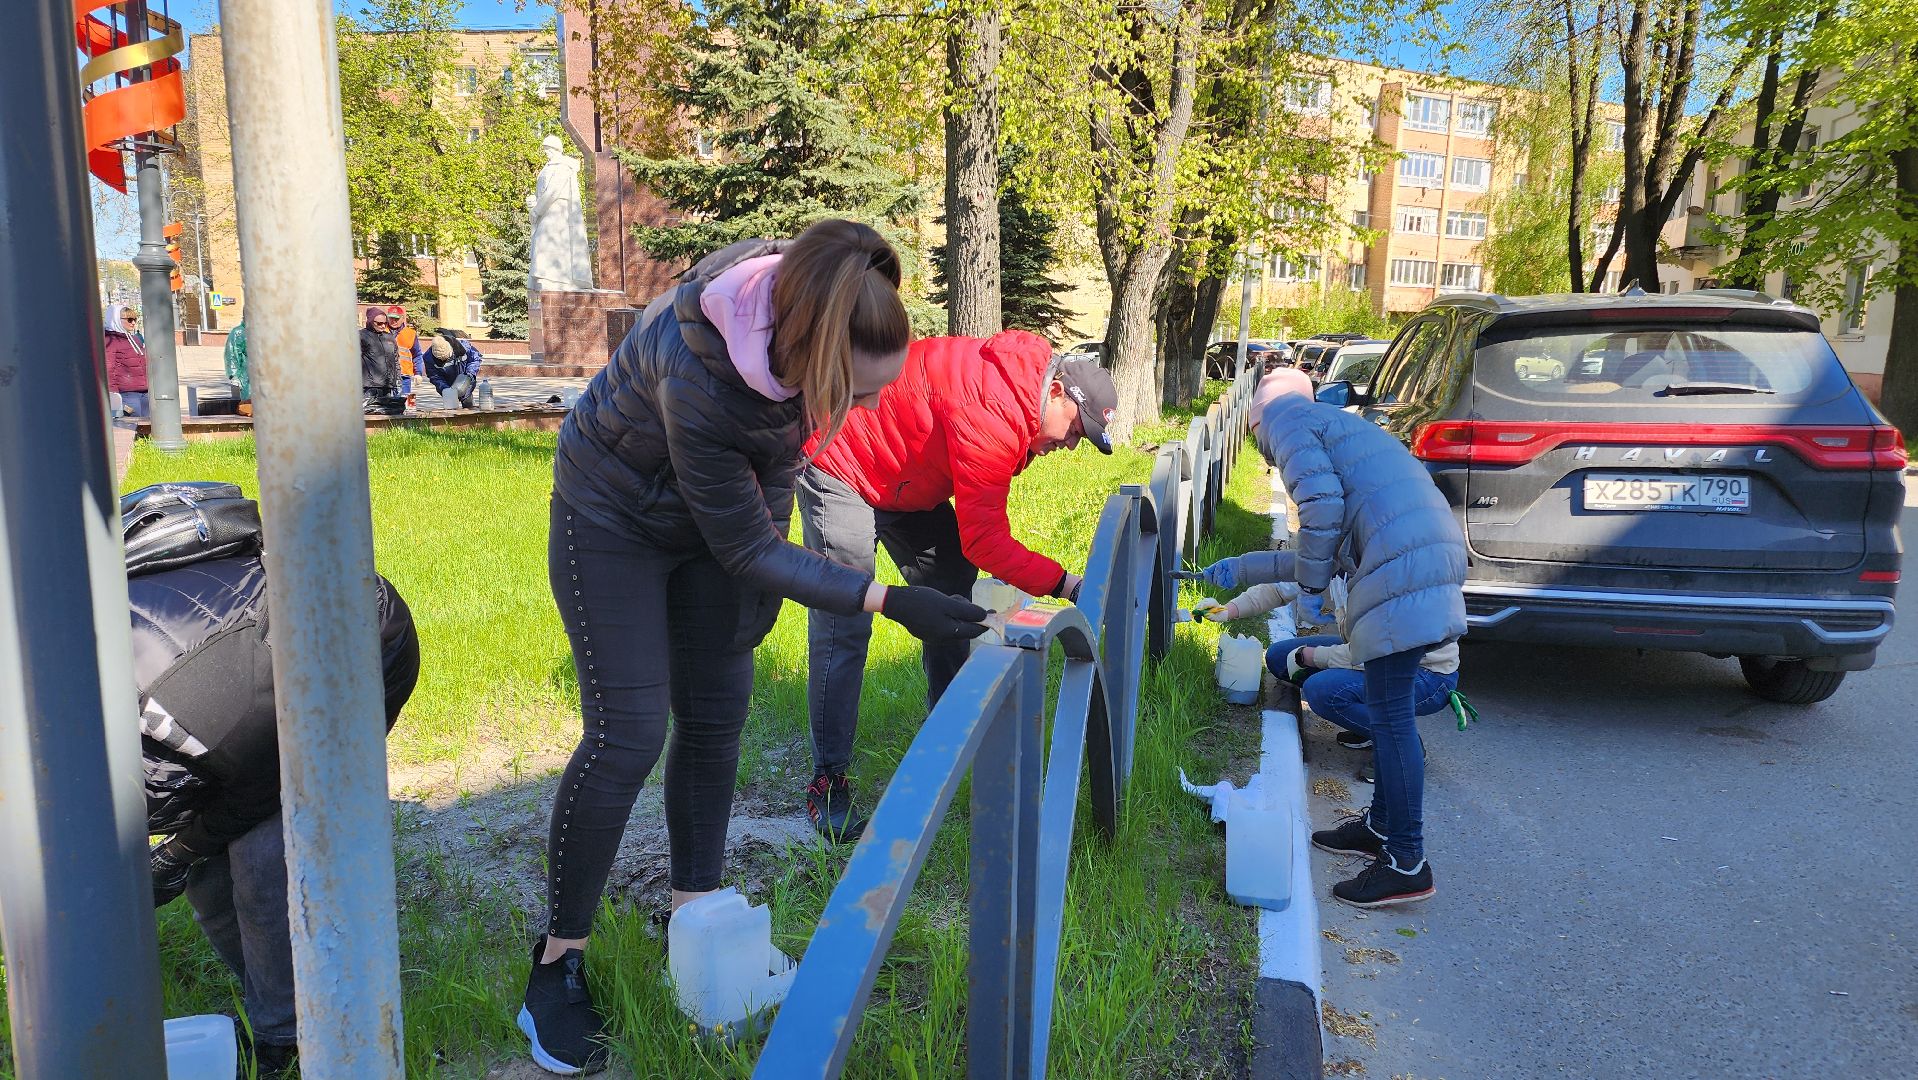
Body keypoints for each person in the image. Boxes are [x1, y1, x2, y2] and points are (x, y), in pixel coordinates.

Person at [522, 219, 989, 1074]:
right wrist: (887, 597)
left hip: (710, 528)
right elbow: (746, 546)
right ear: (812, 358)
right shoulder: (702, 369)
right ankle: (556, 966)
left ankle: (694, 918)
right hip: (613, 518)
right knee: (627, 736)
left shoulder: (795, 348)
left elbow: (765, 496)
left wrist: (746, 623)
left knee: (714, 716)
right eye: (859, 390)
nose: (873, 407)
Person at [795, 334, 1118, 838]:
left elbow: (971, 544)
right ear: (1055, 392)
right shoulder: (993, 411)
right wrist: (1065, 583)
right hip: (843, 460)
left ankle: (948, 725)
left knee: (950, 585)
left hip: (902, 478)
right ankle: (828, 779)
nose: (1071, 445)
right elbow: (985, 541)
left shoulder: (1016, 397)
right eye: (1076, 429)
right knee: (846, 616)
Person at [137, 555, 419, 1076]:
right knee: (206, 869)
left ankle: (288, 1037)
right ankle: (278, 993)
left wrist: (176, 853)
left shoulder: (185, 710)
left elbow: (257, 786)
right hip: (222, 670)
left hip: (361, 646)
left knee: (261, 855)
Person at [1198, 367, 1465, 909]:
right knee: (1388, 712)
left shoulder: (1287, 421)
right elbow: (1321, 544)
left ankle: (1406, 862)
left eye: (1257, 441)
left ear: (1258, 416)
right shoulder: (1332, 430)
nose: (1266, 457)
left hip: (1402, 568)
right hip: (1416, 552)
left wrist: (1314, 590)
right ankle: (1382, 828)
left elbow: (1319, 512)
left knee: (1389, 717)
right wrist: (1241, 569)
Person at [1197, 576, 1460, 754]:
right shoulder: (1333, 543)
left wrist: (1317, 657)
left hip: (1424, 675)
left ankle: (1403, 745)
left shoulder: (1384, 567)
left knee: (1322, 691)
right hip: (1367, 650)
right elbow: (1280, 587)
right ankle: (1369, 724)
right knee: (1279, 658)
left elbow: (1377, 651)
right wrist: (1228, 610)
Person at [421, 326, 484, 408]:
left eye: (446, 358)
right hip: (447, 385)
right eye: (441, 359)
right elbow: (434, 376)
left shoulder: (463, 347)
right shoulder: (429, 358)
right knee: (451, 408)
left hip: (465, 381)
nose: (444, 360)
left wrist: (470, 373)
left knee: (468, 404)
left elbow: (475, 359)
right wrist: (445, 389)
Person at [105, 303, 150, 416]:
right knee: (132, 425)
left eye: (135, 319)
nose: (133, 322)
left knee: (148, 426)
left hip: (145, 391)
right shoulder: (110, 340)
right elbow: (108, 368)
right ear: (116, 319)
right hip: (127, 394)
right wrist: (113, 394)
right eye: (129, 319)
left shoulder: (135, 339)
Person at [360, 305, 401, 413]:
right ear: (370, 322)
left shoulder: (389, 337)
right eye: (379, 323)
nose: (383, 326)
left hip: (388, 385)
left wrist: (398, 379)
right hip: (369, 387)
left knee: (387, 416)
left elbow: (395, 359)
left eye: (385, 323)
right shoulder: (361, 336)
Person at [388, 304, 419, 408]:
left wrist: (418, 372)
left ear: (403, 318)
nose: (394, 321)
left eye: (397, 318)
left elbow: (417, 354)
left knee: (405, 403)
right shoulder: (382, 331)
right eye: (391, 318)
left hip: (404, 375)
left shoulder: (410, 333)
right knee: (388, 403)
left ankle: (406, 421)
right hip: (386, 375)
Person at [224, 320, 252, 416]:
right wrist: (233, 375)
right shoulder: (238, 332)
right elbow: (231, 354)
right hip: (247, 375)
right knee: (248, 403)